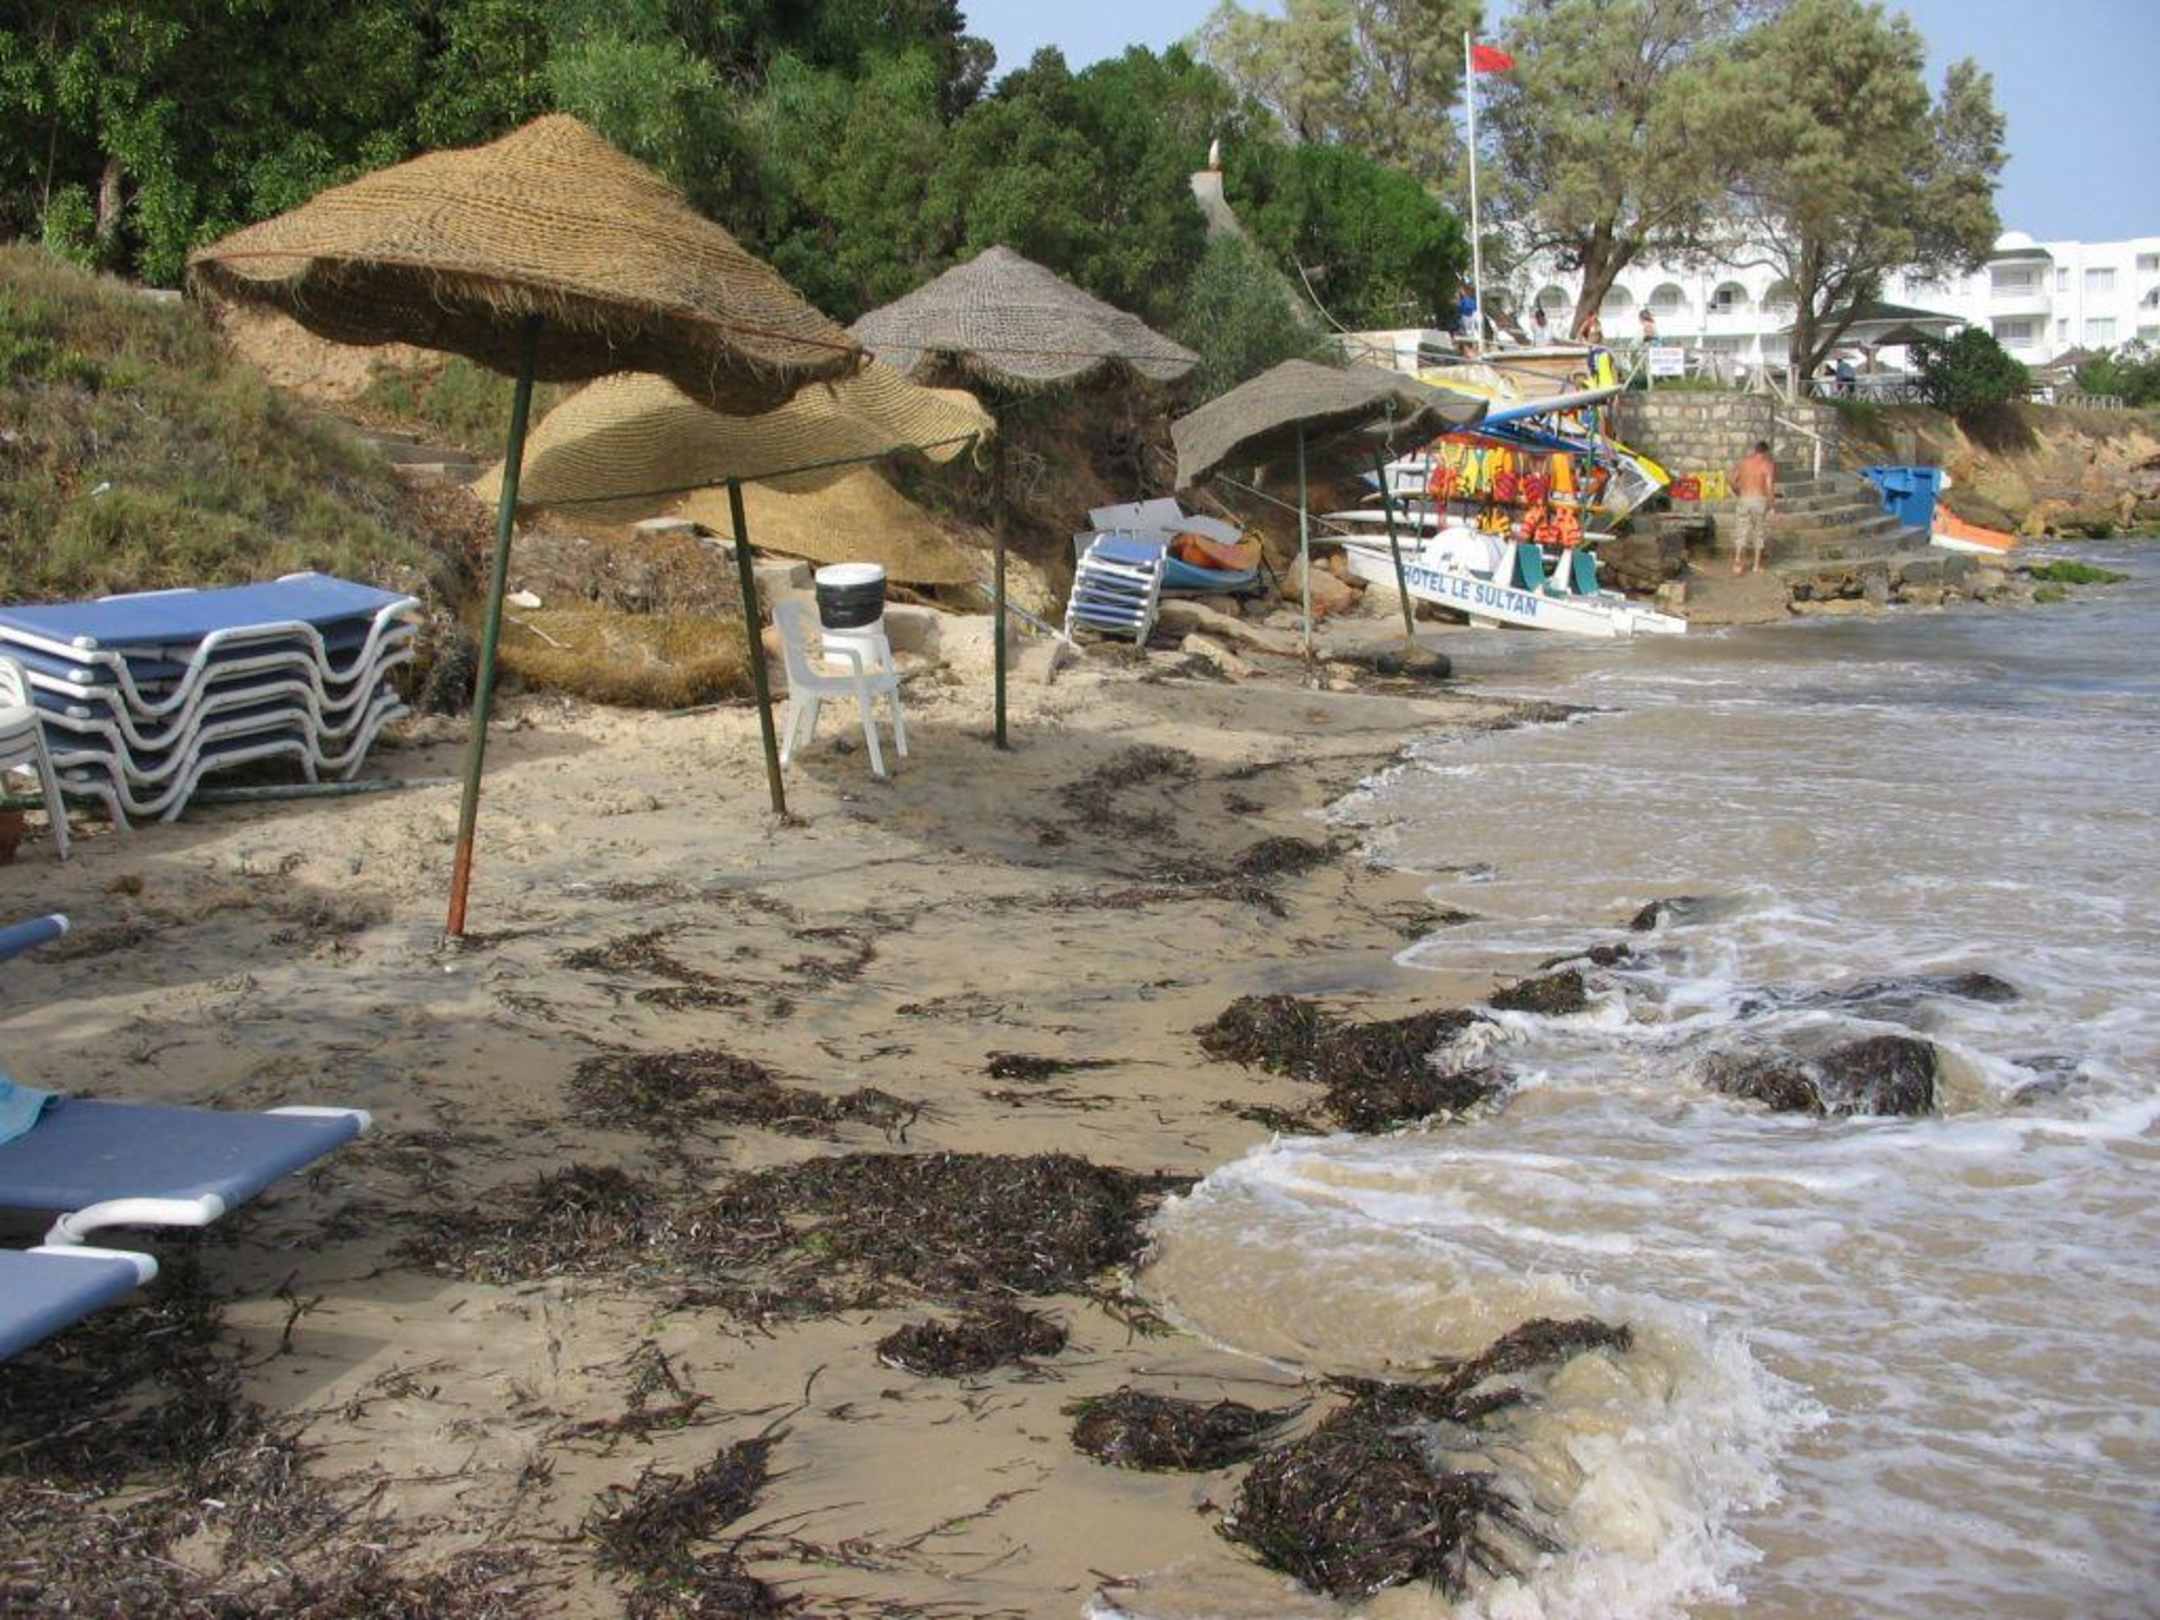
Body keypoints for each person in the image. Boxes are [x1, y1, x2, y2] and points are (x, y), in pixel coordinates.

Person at [1730, 440, 1776, 575]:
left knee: (1741, 531)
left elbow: (1732, 480)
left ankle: (1737, 562)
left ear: (1755, 451)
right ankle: (1756, 566)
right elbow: (1769, 487)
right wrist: (1772, 505)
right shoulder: (1767, 465)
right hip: (1759, 500)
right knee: (1758, 533)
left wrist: (1738, 492)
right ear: (1766, 452)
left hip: (1744, 498)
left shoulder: (1744, 463)